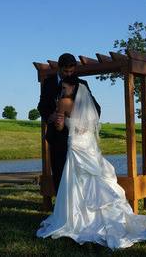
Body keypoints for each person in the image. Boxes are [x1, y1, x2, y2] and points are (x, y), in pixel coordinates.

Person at [36, 76, 146, 249]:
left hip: (76, 146)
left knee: (77, 180)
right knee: (97, 179)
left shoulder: (63, 102)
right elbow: (89, 126)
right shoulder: (88, 107)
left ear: (73, 88)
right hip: (89, 146)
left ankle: (77, 218)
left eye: (65, 88)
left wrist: (58, 122)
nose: (63, 90)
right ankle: (102, 215)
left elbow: (60, 126)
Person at [37, 53, 101, 195]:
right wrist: (50, 116)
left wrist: (82, 123)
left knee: (82, 174)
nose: (68, 74)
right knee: (59, 171)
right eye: (65, 71)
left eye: (71, 71)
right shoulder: (48, 83)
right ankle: (63, 204)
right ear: (59, 68)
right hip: (57, 137)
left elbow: (96, 109)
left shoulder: (82, 85)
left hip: (78, 138)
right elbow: (41, 106)